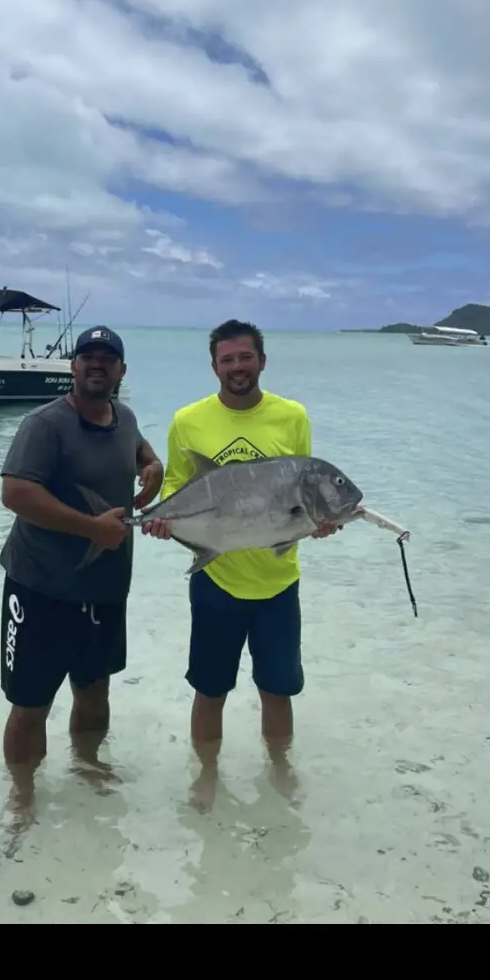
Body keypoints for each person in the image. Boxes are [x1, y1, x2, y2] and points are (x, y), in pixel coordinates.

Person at [143, 318, 338, 767]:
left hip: (278, 583)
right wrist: (165, 524)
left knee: (278, 690)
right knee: (209, 691)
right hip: (216, 580)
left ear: (262, 361)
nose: (237, 367)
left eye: (245, 357)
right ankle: (205, 777)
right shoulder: (187, 421)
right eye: (227, 359)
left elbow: (303, 494)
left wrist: (319, 522)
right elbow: (177, 488)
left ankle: (280, 775)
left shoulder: (293, 416)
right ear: (214, 366)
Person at [0, 326, 163, 798]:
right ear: (72, 366)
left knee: (95, 692)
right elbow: (15, 492)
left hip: (105, 588)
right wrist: (91, 528)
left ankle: (88, 769)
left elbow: (136, 446)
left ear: (121, 370)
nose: (97, 364)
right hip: (40, 587)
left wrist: (153, 465)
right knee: (31, 703)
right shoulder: (44, 424)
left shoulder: (124, 416)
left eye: (107, 358)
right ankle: (22, 795)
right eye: (87, 356)